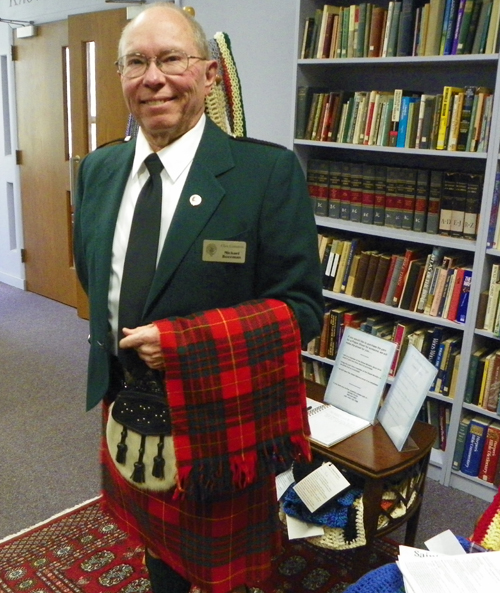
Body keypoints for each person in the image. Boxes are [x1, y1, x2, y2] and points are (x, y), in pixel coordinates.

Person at [74, 3, 324, 593]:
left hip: (217, 421)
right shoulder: (98, 168)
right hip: (125, 402)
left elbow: (304, 311)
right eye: (136, 62)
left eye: (171, 59)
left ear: (209, 74)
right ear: (121, 76)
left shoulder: (266, 174)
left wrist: (188, 344)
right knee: (156, 550)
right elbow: (96, 277)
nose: (153, 77)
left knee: (221, 575)